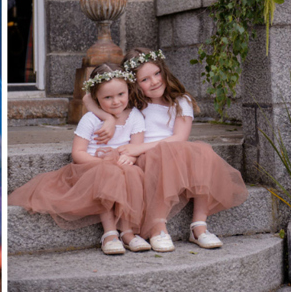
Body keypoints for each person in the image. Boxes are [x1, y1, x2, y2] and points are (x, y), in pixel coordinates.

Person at [84, 48, 248, 252]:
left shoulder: (181, 101)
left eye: (157, 73)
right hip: (146, 160)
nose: (154, 81)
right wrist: (108, 118)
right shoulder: (134, 103)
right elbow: (88, 98)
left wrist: (138, 148)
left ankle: (199, 226)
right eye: (144, 79)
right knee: (161, 158)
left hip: (165, 151)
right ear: (133, 84)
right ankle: (157, 227)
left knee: (203, 154)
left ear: (164, 71)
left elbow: (179, 138)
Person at [9, 63, 151, 255]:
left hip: (122, 164)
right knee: (107, 174)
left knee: (132, 174)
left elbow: (136, 147)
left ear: (128, 90)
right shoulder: (91, 119)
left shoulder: (134, 116)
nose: (116, 101)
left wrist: (129, 159)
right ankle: (109, 234)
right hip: (92, 166)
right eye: (107, 97)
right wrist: (104, 163)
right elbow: (78, 153)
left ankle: (128, 232)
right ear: (96, 98)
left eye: (120, 94)